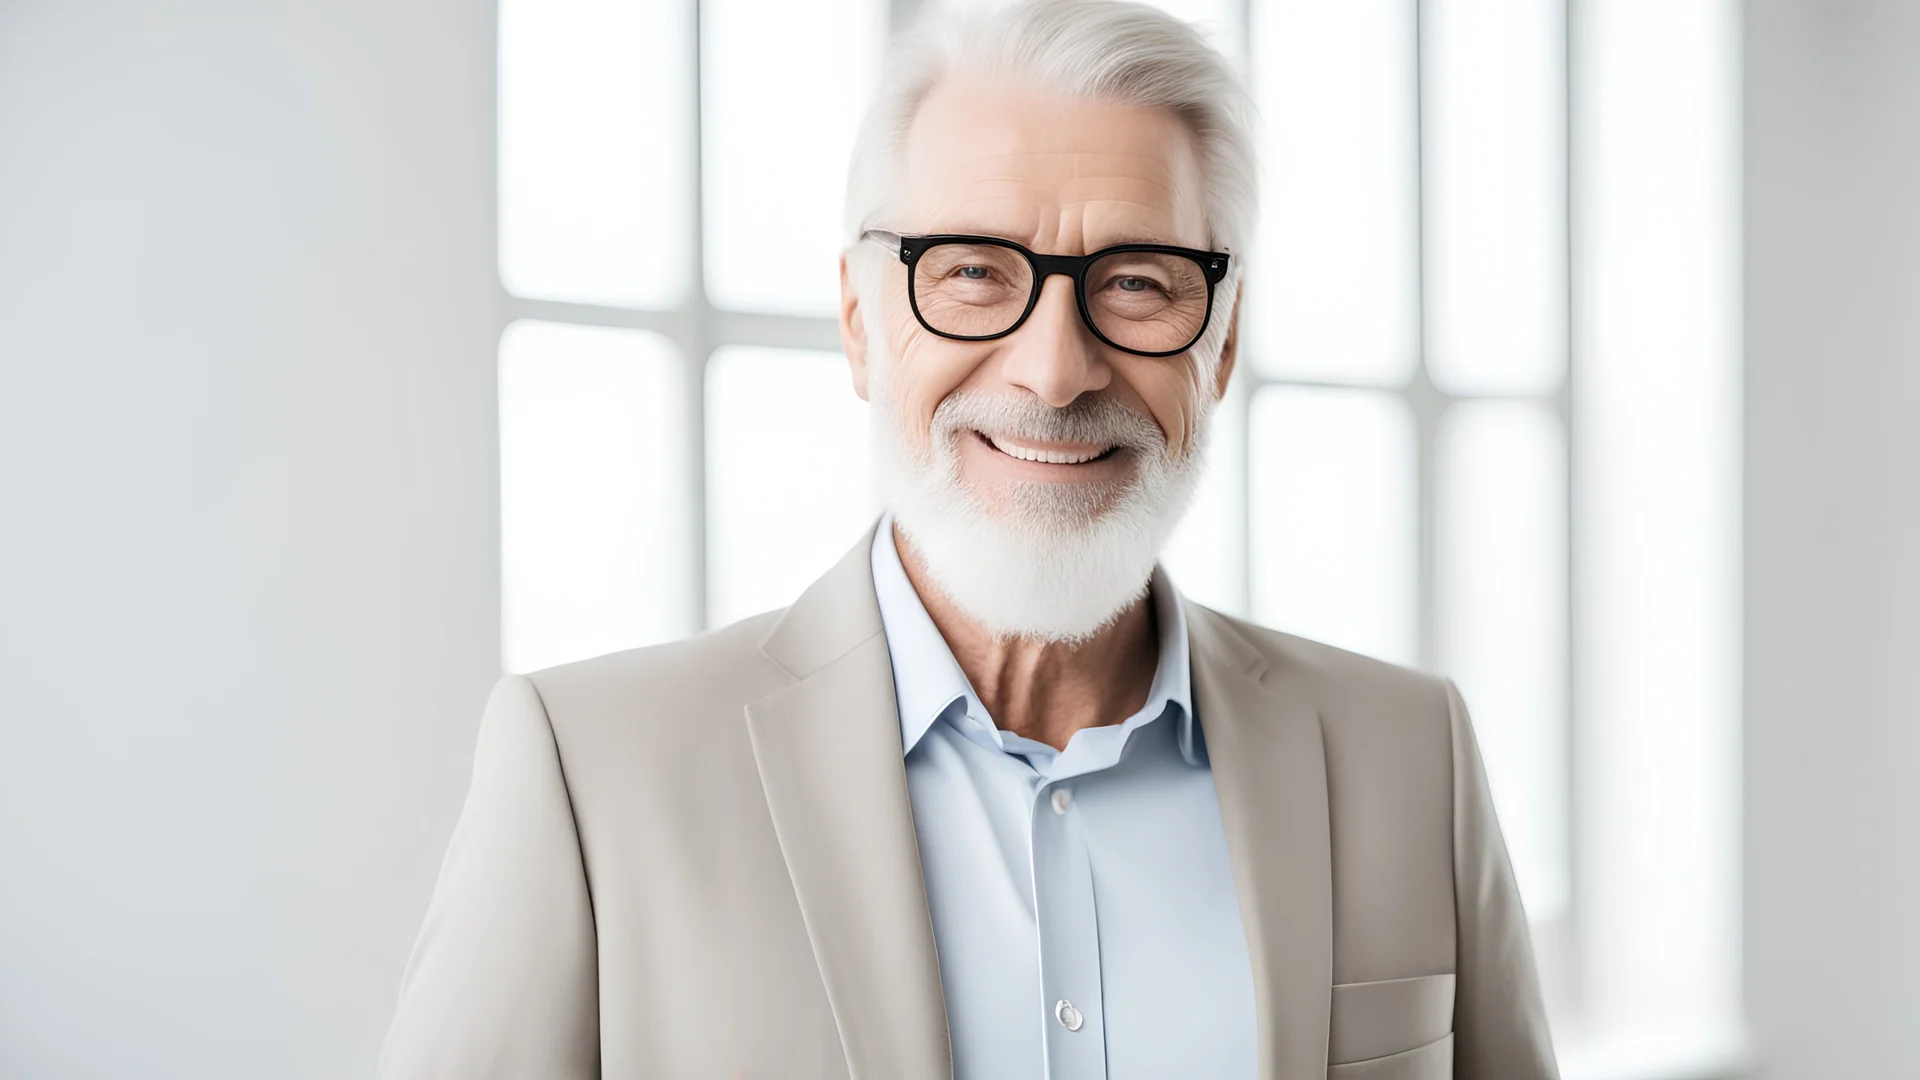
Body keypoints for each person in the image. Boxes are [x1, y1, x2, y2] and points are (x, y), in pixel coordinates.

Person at [375, 1, 1557, 1076]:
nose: (1053, 372)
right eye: (977, 272)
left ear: (1225, 342)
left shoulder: (1412, 755)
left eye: (1139, 282)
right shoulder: (593, 781)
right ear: (860, 324)